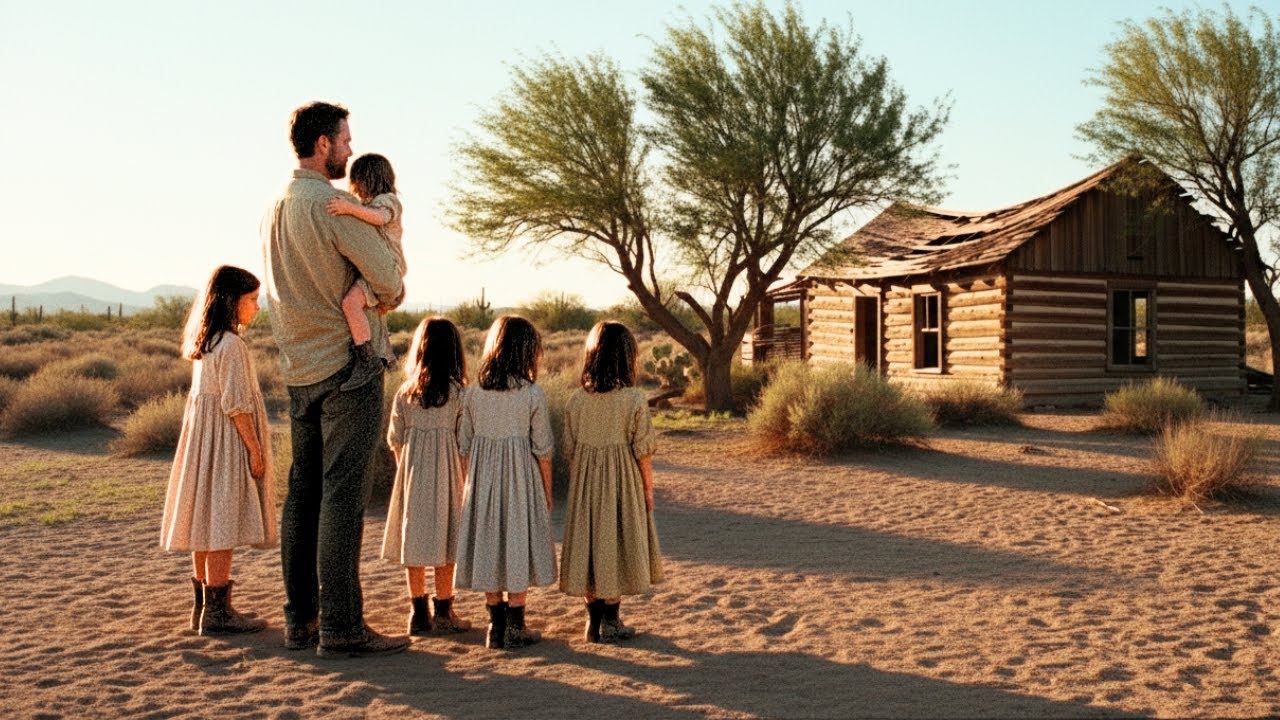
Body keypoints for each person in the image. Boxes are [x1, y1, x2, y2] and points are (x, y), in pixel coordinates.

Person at [262, 100, 408, 658]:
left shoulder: (275, 206)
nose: (350, 148)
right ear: (322, 144)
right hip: (349, 364)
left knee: (302, 493)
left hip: (299, 367)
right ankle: (342, 626)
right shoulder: (332, 204)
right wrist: (377, 296)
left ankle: (300, 619)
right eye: (345, 139)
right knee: (342, 496)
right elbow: (391, 278)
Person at [159, 265, 275, 636]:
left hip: (201, 442)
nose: (256, 308)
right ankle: (218, 612)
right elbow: (236, 405)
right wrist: (254, 448)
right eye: (252, 300)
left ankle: (204, 607)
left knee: (205, 520)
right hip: (225, 440)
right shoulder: (232, 345)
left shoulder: (205, 342)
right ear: (231, 300)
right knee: (221, 520)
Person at [455, 315, 556, 649]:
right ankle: (516, 623)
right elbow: (543, 448)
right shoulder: (531, 394)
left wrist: (471, 485)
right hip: (521, 480)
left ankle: (494, 625)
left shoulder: (472, 394)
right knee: (516, 543)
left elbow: (464, 446)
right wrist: (547, 490)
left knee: (489, 542)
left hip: (482, 479)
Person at [559, 321, 663, 642]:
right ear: (626, 357)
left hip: (586, 487)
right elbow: (642, 451)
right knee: (617, 544)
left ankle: (592, 619)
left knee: (590, 546)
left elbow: (571, 450)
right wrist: (647, 489)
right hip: (623, 485)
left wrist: (584, 486)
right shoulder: (633, 399)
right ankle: (612, 621)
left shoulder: (576, 401)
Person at [382, 317, 473, 636]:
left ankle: (418, 612)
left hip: (412, 475)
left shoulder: (405, 393)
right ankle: (445, 610)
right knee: (447, 541)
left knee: (415, 540)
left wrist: (406, 471)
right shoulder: (459, 394)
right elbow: (465, 443)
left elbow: (394, 439)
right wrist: (464, 480)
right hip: (450, 477)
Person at [326, 153, 407, 392]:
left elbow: (379, 218)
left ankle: (366, 357)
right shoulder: (371, 204)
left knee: (351, 304)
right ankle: (383, 356)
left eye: (357, 181)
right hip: (378, 268)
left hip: (387, 267)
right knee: (368, 309)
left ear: (367, 178)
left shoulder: (388, 201)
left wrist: (348, 208)